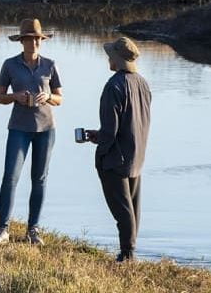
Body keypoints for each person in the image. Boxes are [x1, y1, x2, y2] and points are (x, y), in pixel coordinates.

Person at [0, 18, 63, 245]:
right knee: (10, 176)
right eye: (30, 39)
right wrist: (15, 97)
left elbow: (60, 98)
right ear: (22, 41)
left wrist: (48, 97)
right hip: (19, 128)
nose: (35, 43)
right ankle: (2, 229)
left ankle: (33, 230)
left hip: (46, 129)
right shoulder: (10, 65)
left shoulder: (50, 65)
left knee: (39, 179)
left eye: (38, 39)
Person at [86, 36, 151, 262]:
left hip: (116, 158)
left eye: (110, 55)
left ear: (117, 60)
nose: (108, 59)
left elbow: (111, 130)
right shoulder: (142, 83)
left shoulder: (113, 86)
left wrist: (100, 150)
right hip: (137, 155)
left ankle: (127, 255)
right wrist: (101, 134)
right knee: (132, 208)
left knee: (123, 210)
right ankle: (129, 251)